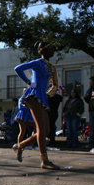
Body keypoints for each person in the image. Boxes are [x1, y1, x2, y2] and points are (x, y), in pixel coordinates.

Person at [13, 41, 60, 170]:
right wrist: (28, 82)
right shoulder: (38, 63)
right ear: (42, 51)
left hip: (42, 96)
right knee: (41, 128)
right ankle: (45, 161)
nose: (52, 50)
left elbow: (55, 85)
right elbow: (18, 68)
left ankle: (20, 145)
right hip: (33, 95)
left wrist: (48, 94)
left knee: (46, 131)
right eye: (50, 48)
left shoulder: (52, 68)